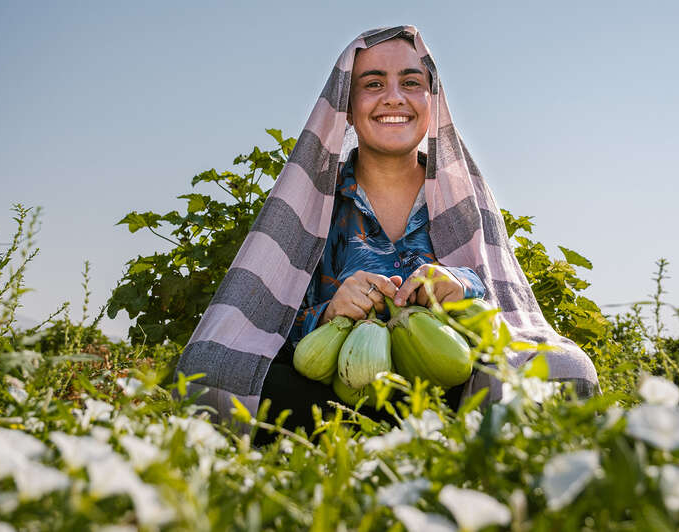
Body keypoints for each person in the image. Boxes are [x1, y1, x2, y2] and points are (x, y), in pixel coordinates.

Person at [174, 26, 600, 438]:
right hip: (332, 390)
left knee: (566, 372)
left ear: (430, 99)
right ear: (347, 103)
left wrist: (458, 284)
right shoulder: (316, 198)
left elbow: (500, 307)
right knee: (210, 371)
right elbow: (267, 321)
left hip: (449, 390)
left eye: (411, 82)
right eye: (373, 84)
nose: (394, 98)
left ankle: (373, 439)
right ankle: (417, 442)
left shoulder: (459, 196)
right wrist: (329, 312)